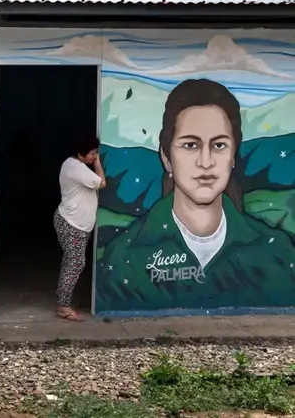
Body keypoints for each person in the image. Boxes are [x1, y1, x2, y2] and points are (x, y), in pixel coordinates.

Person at [96, 79, 295, 313]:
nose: (206, 162)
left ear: (233, 156)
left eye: (219, 145)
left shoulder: (276, 252)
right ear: (166, 157)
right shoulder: (123, 258)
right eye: (190, 145)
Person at [54, 134, 106, 321]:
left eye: (96, 153)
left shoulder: (73, 165)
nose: (94, 156)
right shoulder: (76, 168)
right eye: (92, 153)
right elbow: (102, 183)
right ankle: (63, 306)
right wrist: (98, 163)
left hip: (75, 223)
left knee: (72, 262)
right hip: (71, 223)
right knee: (76, 262)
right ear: (80, 153)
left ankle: (64, 300)